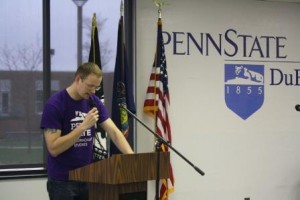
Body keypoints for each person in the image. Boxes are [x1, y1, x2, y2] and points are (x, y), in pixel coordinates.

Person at [40, 62, 134, 200]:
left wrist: (131, 157)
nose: (93, 91)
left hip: (88, 178)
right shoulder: (55, 105)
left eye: (96, 87)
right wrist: (83, 126)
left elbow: (114, 132)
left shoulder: (93, 101)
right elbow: (53, 148)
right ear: (78, 79)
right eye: (90, 86)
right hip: (62, 182)